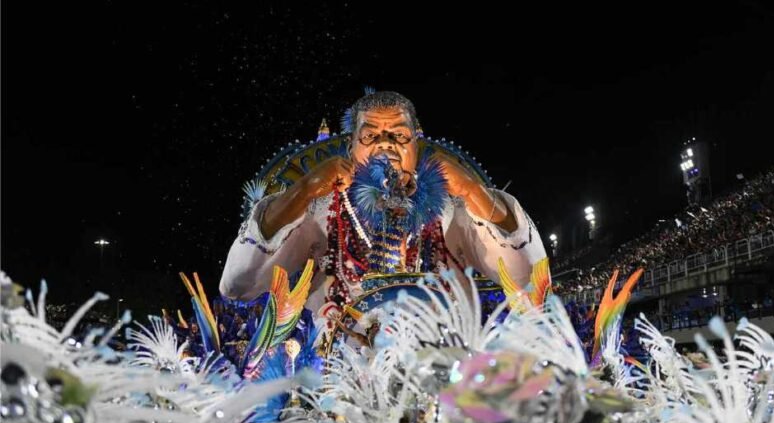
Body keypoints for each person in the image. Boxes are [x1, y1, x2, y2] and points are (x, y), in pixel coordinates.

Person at [219, 91, 547, 325]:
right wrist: (302, 191)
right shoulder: (319, 212)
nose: (385, 143)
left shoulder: (453, 210)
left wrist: (473, 192)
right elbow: (238, 286)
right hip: (342, 392)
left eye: (399, 135)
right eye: (371, 135)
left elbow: (531, 283)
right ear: (351, 147)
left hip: (441, 387)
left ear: (417, 144)